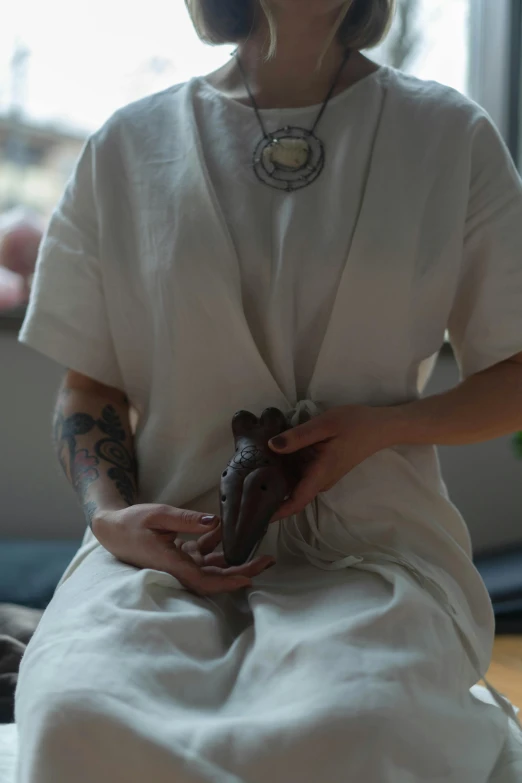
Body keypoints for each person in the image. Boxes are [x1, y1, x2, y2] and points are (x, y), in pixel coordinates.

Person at [13, 0, 522, 780]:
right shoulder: (126, 147)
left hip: (377, 554)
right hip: (168, 552)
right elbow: (88, 386)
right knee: (79, 717)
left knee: (352, 723)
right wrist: (112, 518)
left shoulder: (449, 139)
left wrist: (381, 429)